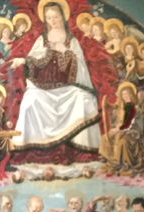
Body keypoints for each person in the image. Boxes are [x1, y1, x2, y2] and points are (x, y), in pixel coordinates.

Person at [11, 0, 101, 154]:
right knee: (29, 100)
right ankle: (34, 146)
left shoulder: (72, 41)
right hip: (43, 88)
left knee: (84, 99)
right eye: (49, 18)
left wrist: (66, 52)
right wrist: (24, 61)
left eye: (55, 17)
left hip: (68, 87)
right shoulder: (42, 40)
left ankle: (78, 149)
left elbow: (81, 66)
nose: (52, 21)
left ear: (62, 16)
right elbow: (34, 61)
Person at [99, 82, 144, 177]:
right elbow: (122, 121)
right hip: (124, 130)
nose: (125, 96)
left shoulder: (133, 107)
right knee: (105, 137)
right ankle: (110, 160)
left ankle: (124, 165)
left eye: (126, 94)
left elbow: (129, 122)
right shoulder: (124, 106)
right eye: (123, 94)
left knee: (122, 142)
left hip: (133, 132)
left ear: (131, 94)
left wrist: (117, 129)